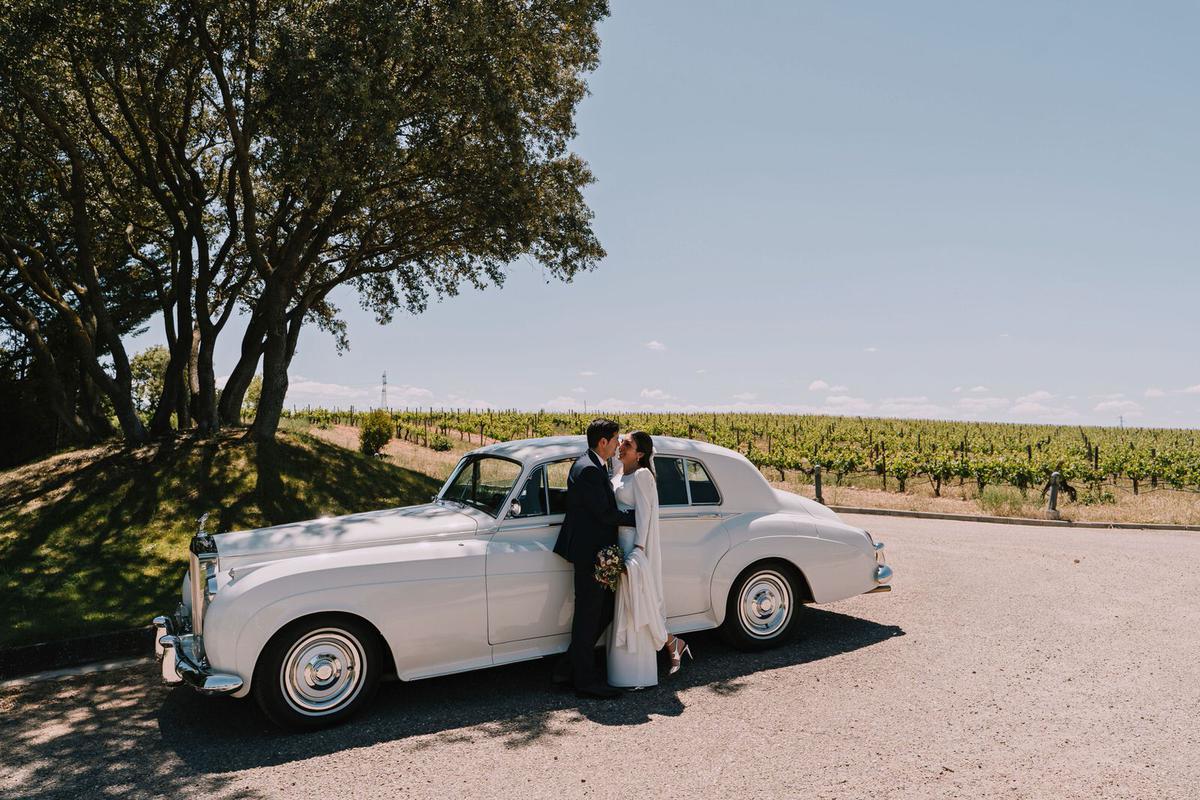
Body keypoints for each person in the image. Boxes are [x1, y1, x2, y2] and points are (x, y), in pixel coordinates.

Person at [552, 418, 636, 699]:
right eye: (615, 440)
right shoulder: (589, 469)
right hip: (590, 552)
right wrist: (637, 517)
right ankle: (585, 681)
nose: (617, 445)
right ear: (603, 442)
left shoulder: (591, 464)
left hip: (592, 550)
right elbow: (604, 513)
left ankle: (567, 669)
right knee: (589, 615)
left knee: (601, 610)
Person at [607, 430, 690, 688]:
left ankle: (637, 673)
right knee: (624, 604)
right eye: (621, 442)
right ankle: (669, 643)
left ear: (640, 454)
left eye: (628, 444)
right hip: (617, 542)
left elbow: (644, 515)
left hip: (633, 543)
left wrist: (638, 552)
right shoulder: (618, 472)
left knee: (636, 603)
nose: (621, 446)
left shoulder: (642, 476)